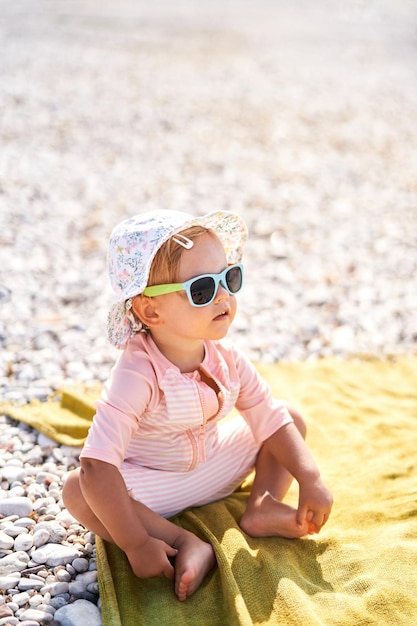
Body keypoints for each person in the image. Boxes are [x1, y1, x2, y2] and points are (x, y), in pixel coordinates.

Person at [63, 209, 333, 602]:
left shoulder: (226, 356)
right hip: (154, 484)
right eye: (202, 289)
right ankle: (184, 541)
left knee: (288, 417)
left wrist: (310, 478)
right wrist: (136, 543)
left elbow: (267, 416)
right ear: (150, 310)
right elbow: (97, 464)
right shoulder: (137, 373)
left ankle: (261, 505)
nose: (223, 296)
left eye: (230, 278)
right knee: (80, 489)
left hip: (214, 463)